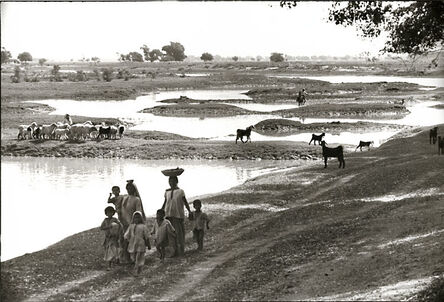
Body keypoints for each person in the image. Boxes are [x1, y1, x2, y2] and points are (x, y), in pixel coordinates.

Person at [161, 176, 191, 256]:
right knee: (170, 234)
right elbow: (165, 202)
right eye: (170, 181)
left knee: (178, 233)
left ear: (177, 182)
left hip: (177, 215)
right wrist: (161, 210)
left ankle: (180, 250)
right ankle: (172, 251)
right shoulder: (166, 192)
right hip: (168, 214)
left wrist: (189, 211)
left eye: (173, 181)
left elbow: (185, 202)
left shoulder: (180, 191)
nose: (171, 183)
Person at [120, 180, 146, 263]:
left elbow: (138, 211)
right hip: (124, 222)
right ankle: (126, 257)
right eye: (127, 188)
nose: (129, 190)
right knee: (124, 240)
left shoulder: (136, 199)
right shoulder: (125, 198)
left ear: (134, 189)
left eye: (130, 188)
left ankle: (134, 258)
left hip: (133, 222)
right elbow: (122, 209)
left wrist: (135, 222)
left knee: (133, 241)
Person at [124, 211, 151, 276]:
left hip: (140, 243)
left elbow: (146, 236)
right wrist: (127, 241)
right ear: (133, 218)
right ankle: (137, 267)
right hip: (133, 243)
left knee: (139, 256)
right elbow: (127, 235)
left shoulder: (143, 226)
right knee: (133, 257)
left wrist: (148, 244)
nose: (136, 219)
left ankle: (137, 271)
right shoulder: (131, 226)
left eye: (138, 218)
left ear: (140, 218)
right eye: (135, 218)